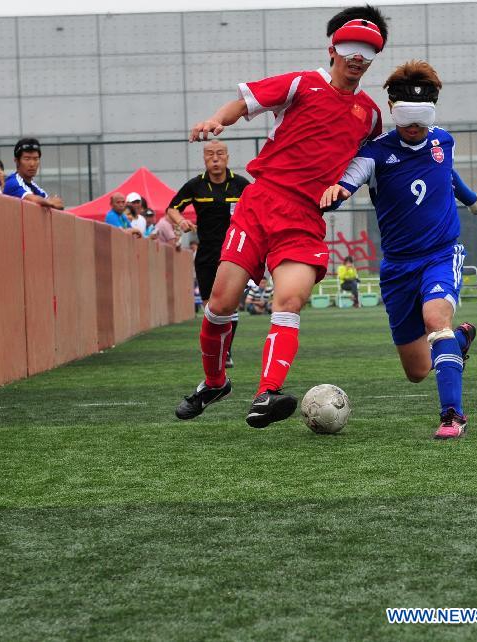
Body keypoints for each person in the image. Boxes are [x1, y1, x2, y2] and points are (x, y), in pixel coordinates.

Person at [176, 5, 388, 428]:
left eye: (367, 49)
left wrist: (342, 189)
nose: (357, 56)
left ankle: (266, 394)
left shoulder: (371, 115)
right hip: (260, 204)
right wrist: (217, 120)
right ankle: (215, 383)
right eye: (350, 46)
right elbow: (244, 102)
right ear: (333, 47)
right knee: (219, 306)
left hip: (306, 218)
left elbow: (367, 164)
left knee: (288, 300)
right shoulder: (301, 83)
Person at [320, 60, 477, 439]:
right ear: (392, 112)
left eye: (421, 120)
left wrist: (476, 203)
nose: (414, 128)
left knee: (436, 322)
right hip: (398, 267)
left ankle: (453, 415)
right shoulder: (375, 154)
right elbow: (346, 184)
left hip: (441, 253)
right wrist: (335, 194)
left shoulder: (442, 141)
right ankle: (460, 339)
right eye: (407, 120)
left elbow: (448, 175)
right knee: (417, 370)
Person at [166, 139, 250, 368]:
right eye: (210, 154)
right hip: (206, 254)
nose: (215, 158)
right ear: (204, 158)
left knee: (229, 304)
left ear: (227, 157)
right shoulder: (195, 186)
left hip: (234, 252)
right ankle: (215, 350)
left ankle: (227, 352)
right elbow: (172, 208)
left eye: (220, 154)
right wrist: (181, 220)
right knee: (210, 307)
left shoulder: (241, 184)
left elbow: (259, 208)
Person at [3, 138, 64, 209]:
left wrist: (53, 202)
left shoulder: (33, 186)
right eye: (27, 159)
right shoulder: (12, 183)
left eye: (36, 159)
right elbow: (32, 199)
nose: (32, 164)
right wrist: (50, 202)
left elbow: (55, 203)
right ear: (16, 161)